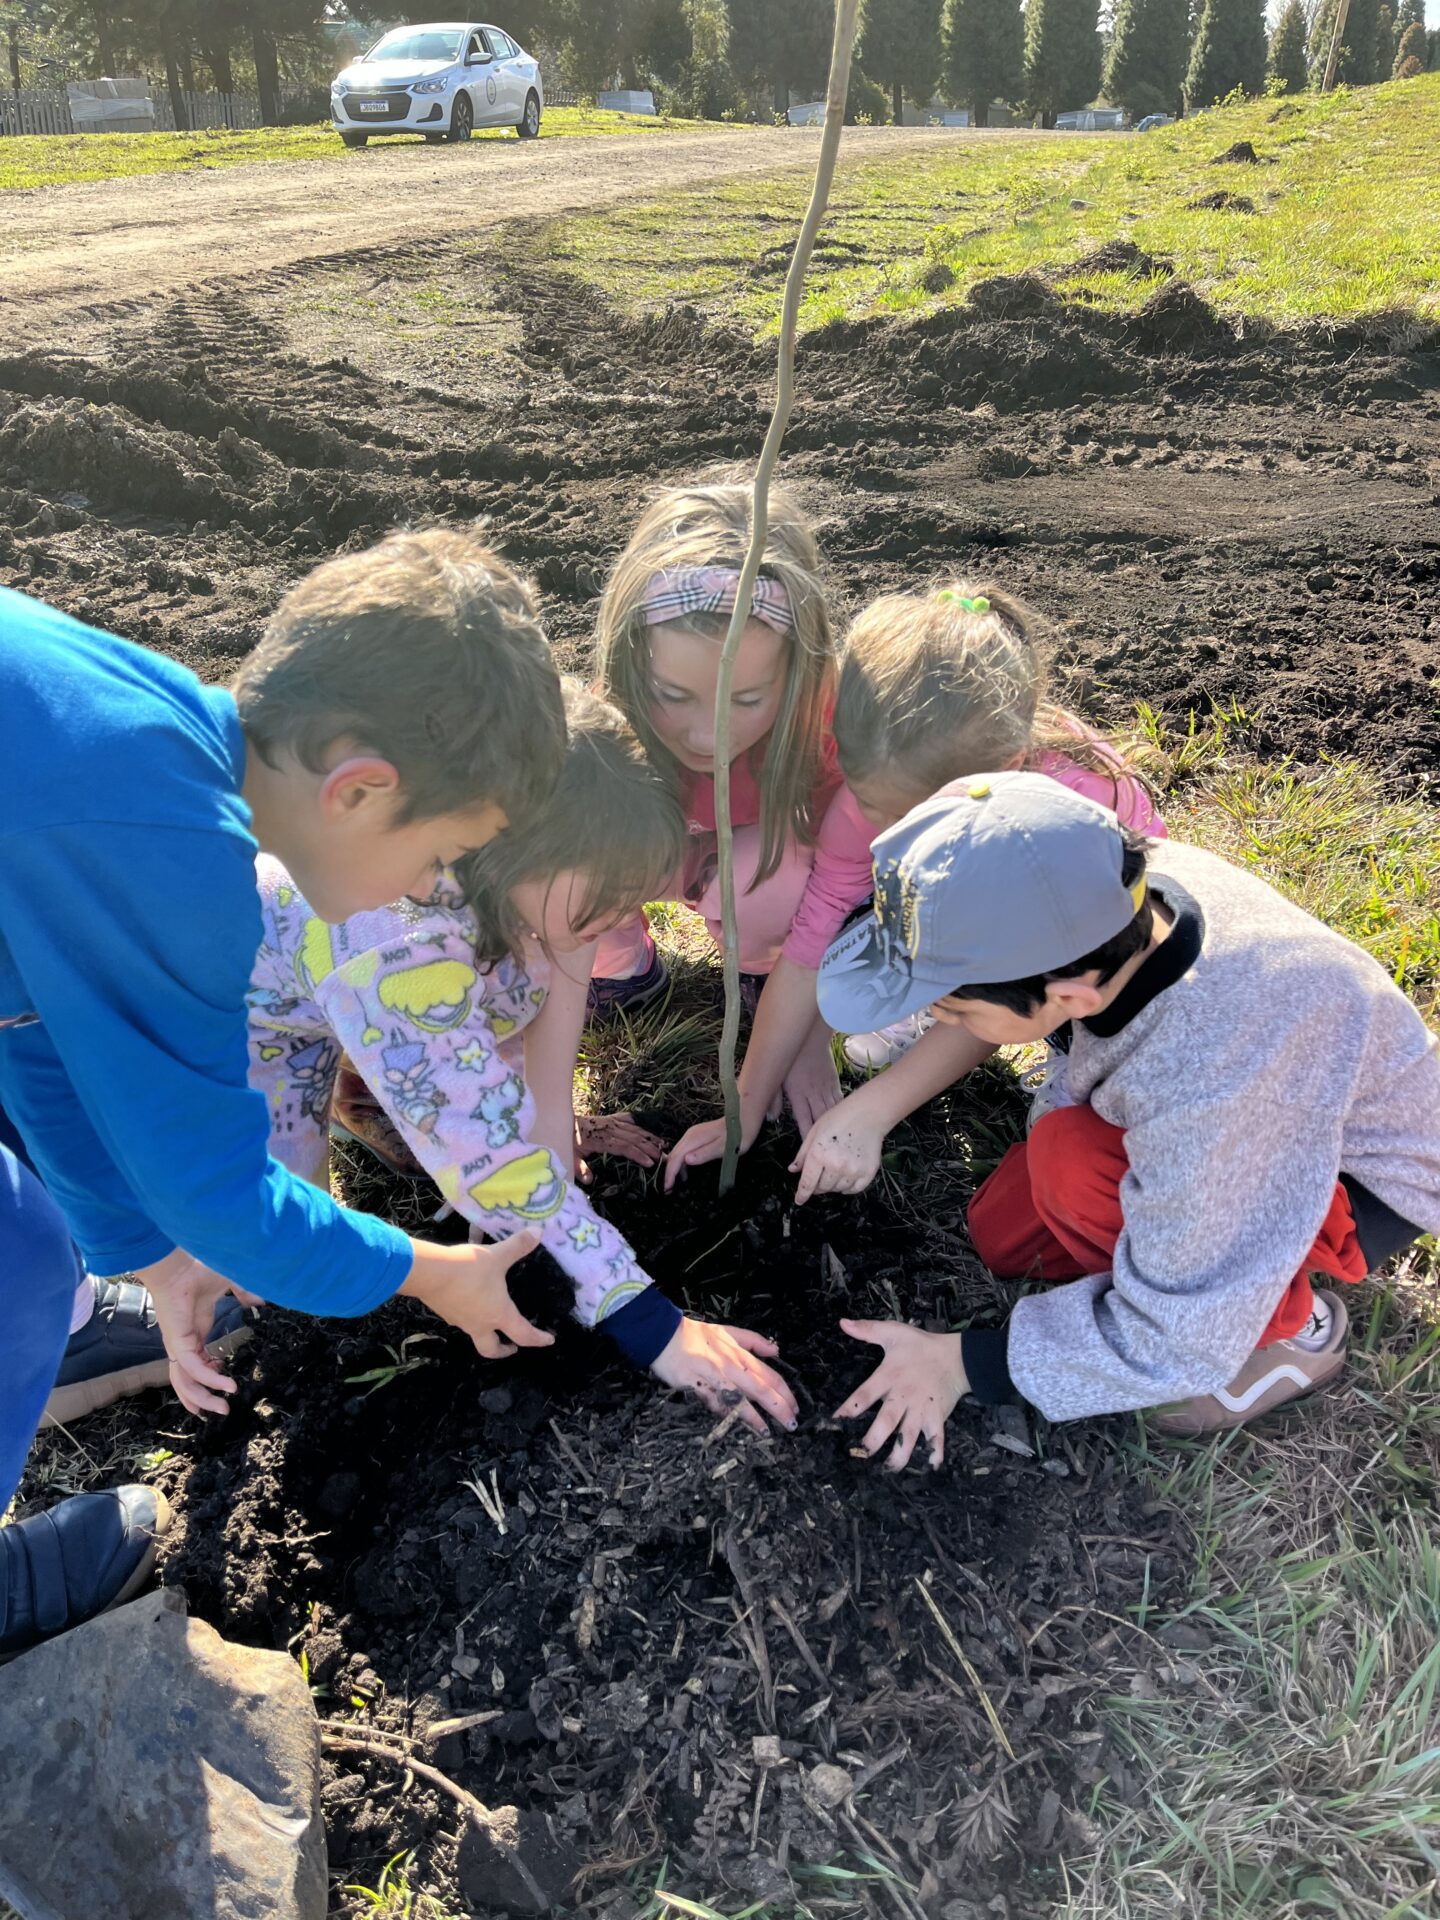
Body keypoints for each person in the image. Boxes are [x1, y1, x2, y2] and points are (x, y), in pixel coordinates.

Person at [0, 527, 571, 1657]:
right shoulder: (168, 851)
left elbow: (30, 1022)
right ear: (361, 789)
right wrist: (426, 1273)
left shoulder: (150, 720)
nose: (429, 890)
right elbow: (224, 1197)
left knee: (23, 1247)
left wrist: (145, 1252)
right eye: (443, 856)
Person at [813, 772, 1439, 1466]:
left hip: (1337, 1178)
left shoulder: (1221, 1076)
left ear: (1071, 994)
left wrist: (968, 1364)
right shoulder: (1108, 896)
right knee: (1005, 1232)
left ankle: (1285, 1329)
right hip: (1232, 1115)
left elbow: (1178, 1332)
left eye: (955, 1009)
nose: (938, 1020)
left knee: (1076, 1182)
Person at [248, 683, 797, 1434]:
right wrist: (642, 1316)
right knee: (274, 1230)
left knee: (490, 1054)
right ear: (515, 846)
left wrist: (553, 1121)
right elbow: (487, 1155)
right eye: (606, 894)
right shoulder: (397, 950)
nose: (617, 919)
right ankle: (219, 1300)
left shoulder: (511, 885)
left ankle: (378, 1087)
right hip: (244, 1022)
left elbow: (551, 980)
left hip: (376, 993)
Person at [760, 580, 1163, 1204]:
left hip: (1097, 966)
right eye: (877, 812)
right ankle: (931, 999)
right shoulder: (875, 794)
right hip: (998, 938)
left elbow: (1011, 999)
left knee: (1085, 1021)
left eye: (910, 820)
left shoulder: (1057, 830)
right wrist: (750, 1094)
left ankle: (1070, 1059)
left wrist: (875, 1108)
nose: (885, 828)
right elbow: (813, 937)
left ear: (997, 781)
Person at [593, 473, 881, 1187]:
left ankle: (762, 973)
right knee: (583, 852)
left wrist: (807, 1040)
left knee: (766, 884)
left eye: (747, 699)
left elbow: (840, 889)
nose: (706, 732)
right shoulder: (602, 728)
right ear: (632, 662)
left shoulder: (831, 725)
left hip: (765, 862)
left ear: (800, 670)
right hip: (661, 849)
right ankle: (622, 964)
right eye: (672, 695)